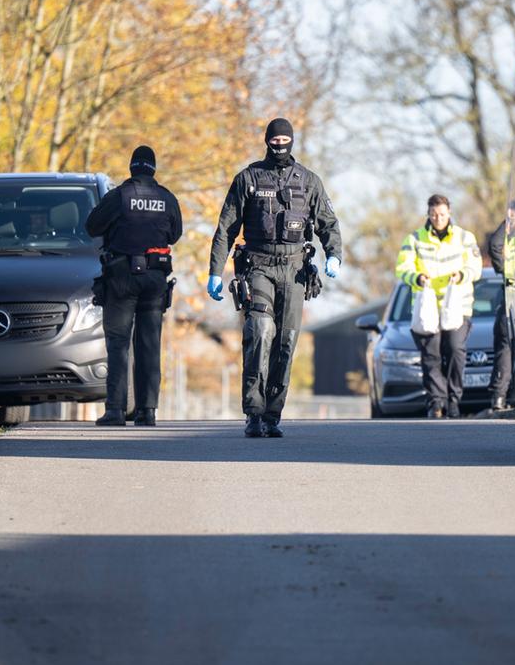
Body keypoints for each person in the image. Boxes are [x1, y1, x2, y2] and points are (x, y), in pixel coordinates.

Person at [207, 117, 342, 438]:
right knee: (260, 331)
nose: (279, 145)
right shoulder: (248, 178)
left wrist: (334, 253)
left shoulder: (309, 182)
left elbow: (328, 223)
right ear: (267, 140)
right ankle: (253, 413)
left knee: (287, 340)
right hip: (259, 265)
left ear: (291, 141)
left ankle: (272, 414)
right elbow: (226, 228)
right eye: (274, 140)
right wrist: (215, 270)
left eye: (285, 140)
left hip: (295, 270)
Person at [85, 145, 183, 427]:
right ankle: (147, 411)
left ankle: (115, 410)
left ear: (131, 167)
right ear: (153, 169)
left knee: (118, 345)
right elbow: (175, 234)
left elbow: (92, 226)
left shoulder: (118, 197)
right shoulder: (167, 198)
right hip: (155, 279)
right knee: (149, 345)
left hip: (121, 277)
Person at [396, 195, 482, 419]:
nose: (438, 219)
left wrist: (462, 274)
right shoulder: (414, 239)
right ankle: (436, 403)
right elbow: (402, 268)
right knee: (431, 355)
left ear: (449, 213)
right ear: (428, 214)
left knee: (455, 350)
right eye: (434, 215)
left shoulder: (465, 237)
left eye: (442, 214)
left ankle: (454, 400)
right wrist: (417, 278)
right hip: (427, 309)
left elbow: (476, 266)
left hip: (457, 307)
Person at [486, 219, 512, 411]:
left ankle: (499, 398)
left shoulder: (514, 217)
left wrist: (505, 272)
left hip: (512, 290)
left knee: (505, 346)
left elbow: (495, 244)